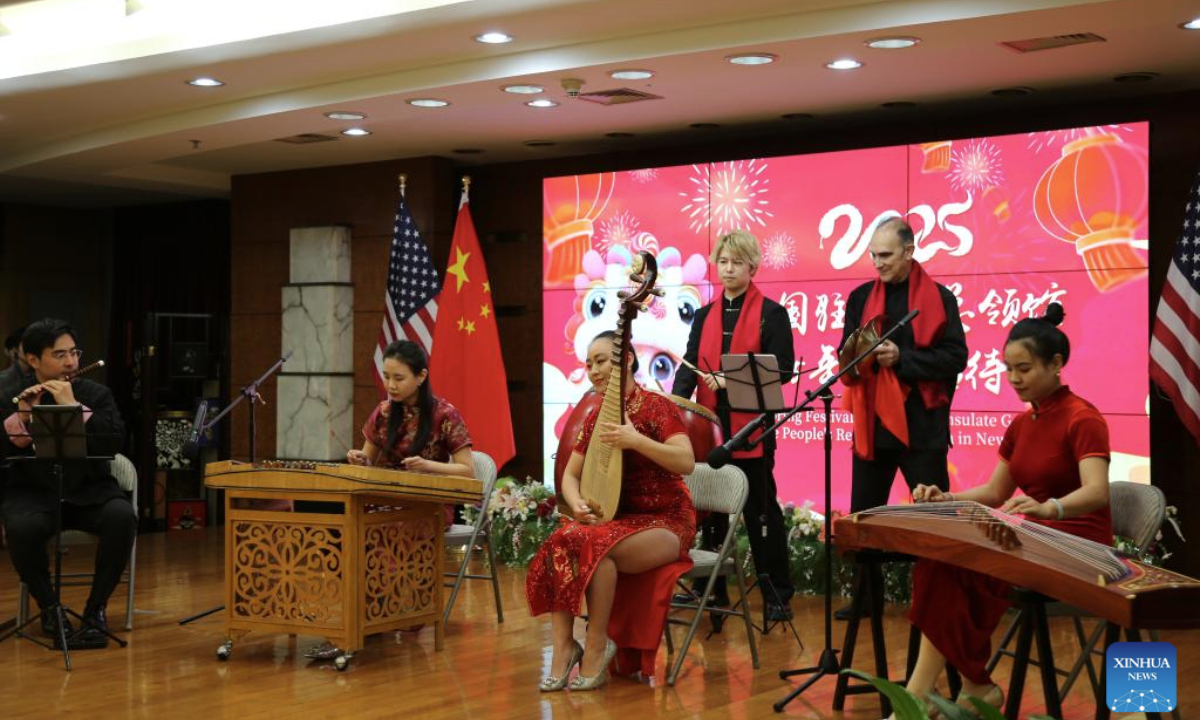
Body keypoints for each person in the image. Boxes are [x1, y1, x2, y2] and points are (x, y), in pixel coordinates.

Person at [891, 303, 1111, 717]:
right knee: (940, 561)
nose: (1014, 379)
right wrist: (945, 497)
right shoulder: (1023, 424)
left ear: (1056, 364)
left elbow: (1098, 492)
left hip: (1080, 548)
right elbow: (995, 492)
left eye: (1024, 369)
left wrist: (1051, 509)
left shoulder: (1083, 418)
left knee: (954, 566)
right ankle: (953, 688)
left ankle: (945, 693)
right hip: (1035, 540)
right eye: (1009, 369)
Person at [527, 331, 696, 690]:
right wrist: (576, 504)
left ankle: (597, 645)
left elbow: (686, 461)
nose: (593, 370)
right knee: (563, 538)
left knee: (595, 547)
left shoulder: (656, 406)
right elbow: (571, 476)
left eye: (601, 360)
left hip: (667, 523)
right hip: (619, 520)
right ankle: (564, 648)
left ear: (627, 361)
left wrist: (636, 440)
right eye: (588, 363)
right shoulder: (596, 417)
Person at [307, 339, 474, 660]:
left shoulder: (444, 414)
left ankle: (387, 612)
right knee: (347, 531)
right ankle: (361, 617)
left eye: (399, 378)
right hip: (385, 499)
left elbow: (467, 470)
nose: (391, 385)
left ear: (421, 377)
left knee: (383, 531)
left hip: (428, 506)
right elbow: (368, 462)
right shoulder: (384, 412)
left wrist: (428, 465)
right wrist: (359, 458)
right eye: (386, 377)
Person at [837, 217, 967, 619]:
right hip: (873, 426)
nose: (877, 262)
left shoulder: (939, 298)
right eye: (873, 254)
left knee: (935, 521)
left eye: (886, 254)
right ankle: (866, 602)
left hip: (922, 428)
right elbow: (845, 351)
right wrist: (855, 354)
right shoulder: (860, 297)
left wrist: (902, 359)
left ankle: (942, 601)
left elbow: (955, 357)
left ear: (909, 252)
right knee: (865, 519)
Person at [672, 229, 796, 621]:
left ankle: (777, 592)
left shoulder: (773, 314)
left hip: (752, 429)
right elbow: (691, 362)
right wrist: (674, 402)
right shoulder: (705, 314)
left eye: (736, 263)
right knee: (709, 512)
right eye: (722, 261)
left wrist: (728, 381)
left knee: (761, 514)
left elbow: (784, 371)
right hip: (708, 427)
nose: (727, 269)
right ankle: (713, 589)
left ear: (752, 267)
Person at [0, 318, 135, 649]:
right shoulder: (10, 395)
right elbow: (5, 452)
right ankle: (50, 608)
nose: (71, 362)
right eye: (59, 355)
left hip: (90, 491)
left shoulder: (96, 394)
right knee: (19, 527)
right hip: (33, 493)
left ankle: (95, 611)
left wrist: (74, 407)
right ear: (33, 360)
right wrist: (24, 417)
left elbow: (114, 442)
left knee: (122, 518)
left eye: (74, 353)